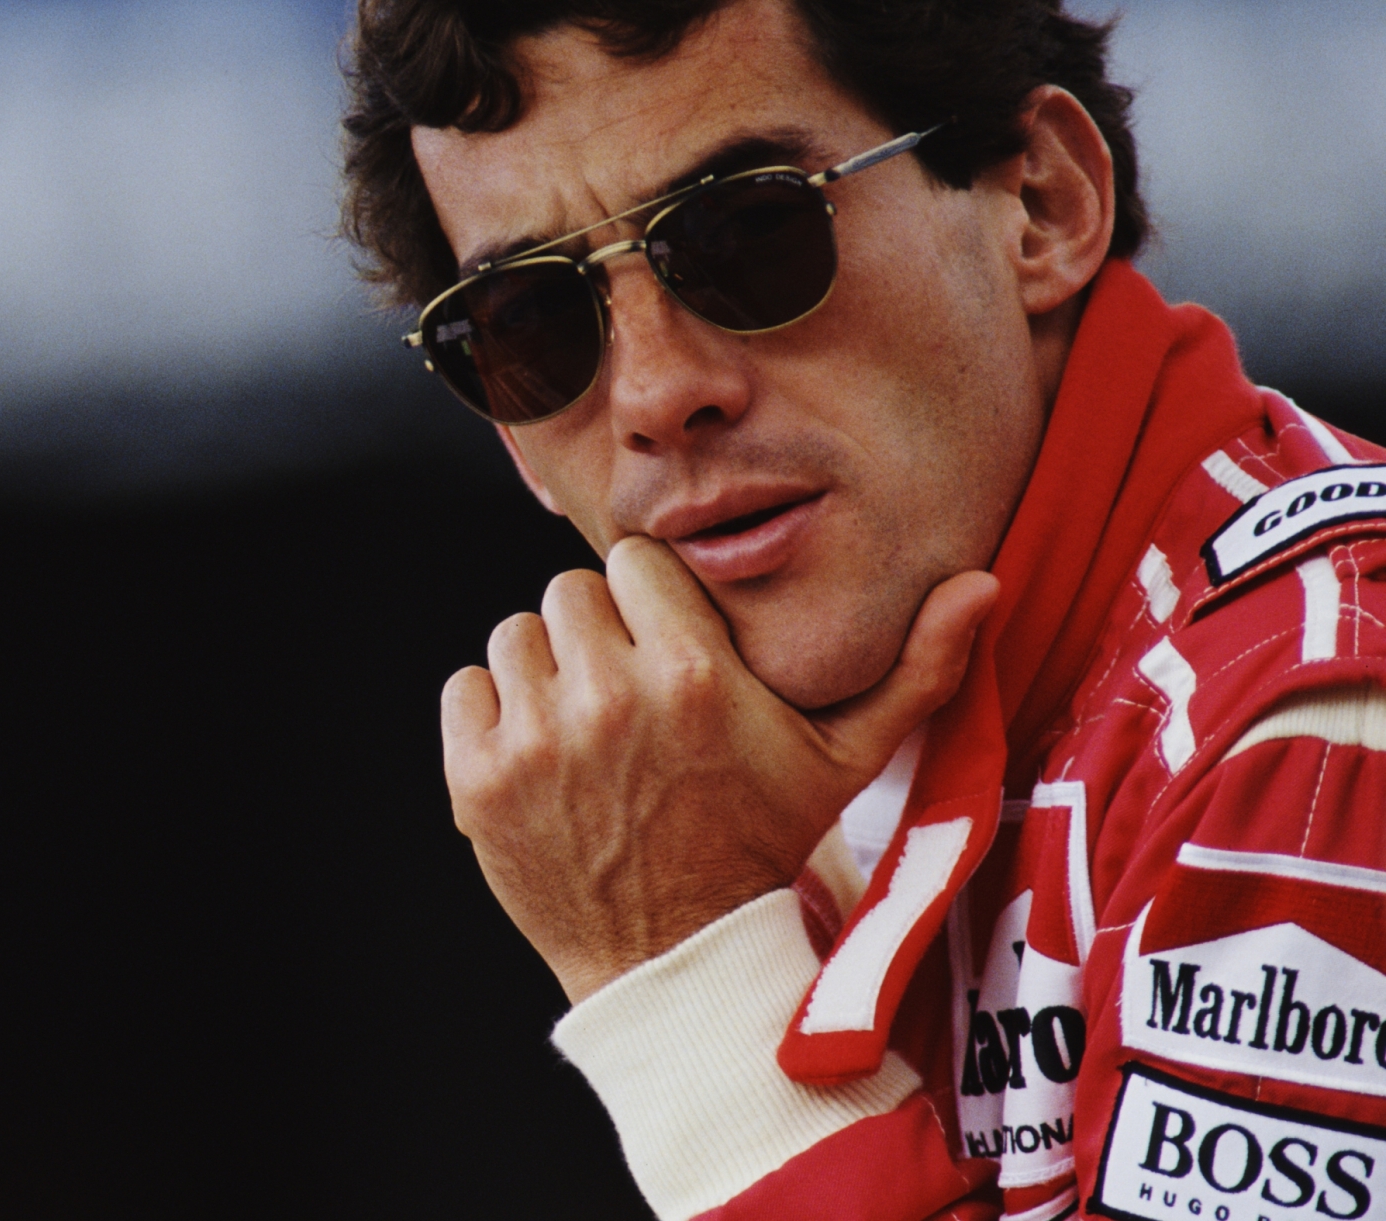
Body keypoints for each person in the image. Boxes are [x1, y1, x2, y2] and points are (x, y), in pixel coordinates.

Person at [338, 1, 1386, 1218]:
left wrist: (691, 983)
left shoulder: (1321, 726)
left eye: (748, 235)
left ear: (1043, 203)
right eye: (532, 323)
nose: (660, 393)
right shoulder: (792, 765)